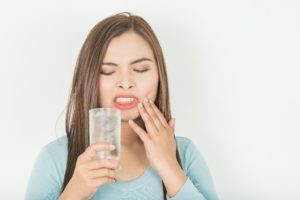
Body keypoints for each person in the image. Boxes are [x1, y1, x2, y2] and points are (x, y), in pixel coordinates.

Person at [25, 12, 219, 200]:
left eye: (140, 69)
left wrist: (170, 168)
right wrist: (73, 194)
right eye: (108, 71)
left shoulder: (184, 153)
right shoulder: (56, 159)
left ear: (160, 76)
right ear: (89, 79)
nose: (125, 82)